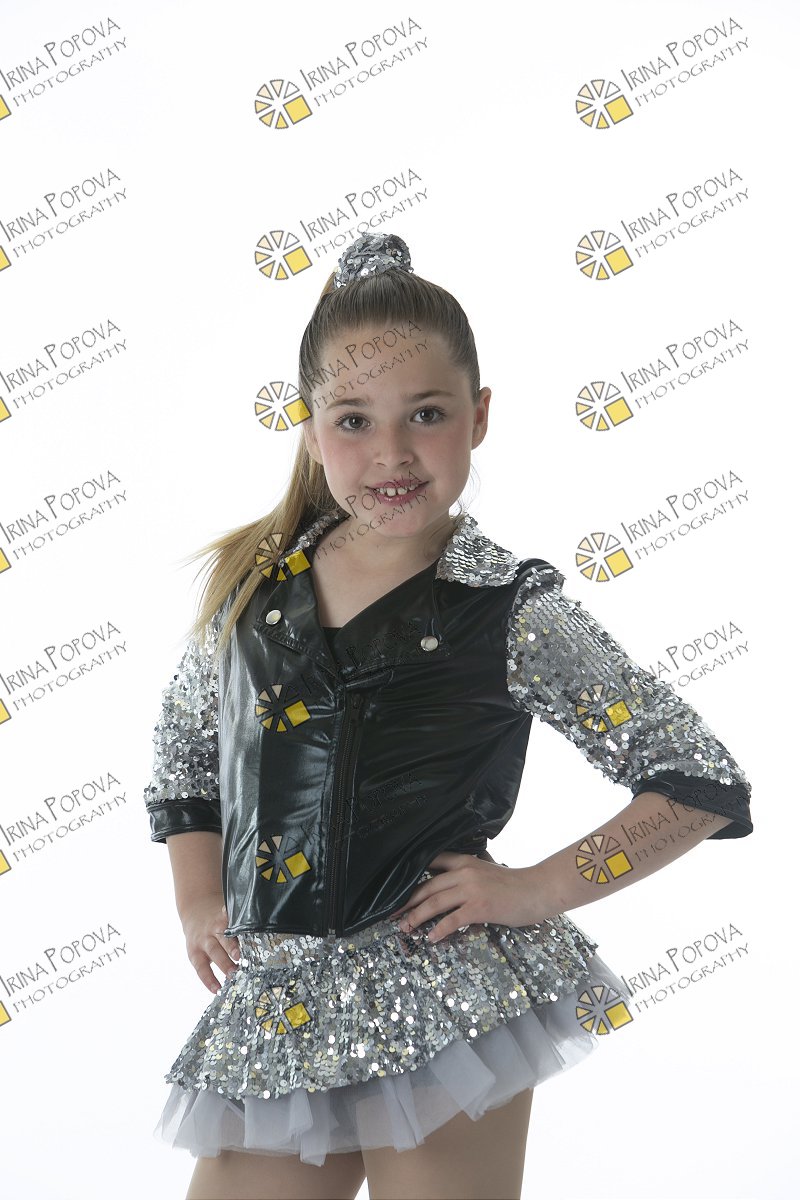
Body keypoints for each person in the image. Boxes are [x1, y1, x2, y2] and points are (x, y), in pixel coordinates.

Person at [143, 232, 753, 1200]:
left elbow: (698, 782)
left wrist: (535, 889)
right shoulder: (253, 591)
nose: (391, 453)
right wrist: (196, 900)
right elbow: (185, 756)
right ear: (309, 428)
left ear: (478, 417)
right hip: (278, 999)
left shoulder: (504, 609)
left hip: (440, 994)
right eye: (353, 420)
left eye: (425, 414)